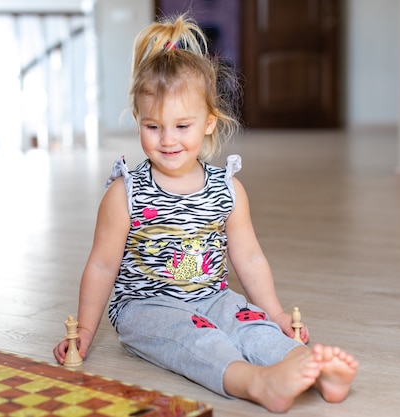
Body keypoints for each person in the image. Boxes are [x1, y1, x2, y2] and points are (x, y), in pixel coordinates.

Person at [54, 14, 358, 413]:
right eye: (152, 126)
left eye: (182, 126)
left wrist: (277, 312)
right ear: (137, 122)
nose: (167, 140)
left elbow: (247, 257)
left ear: (209, 122)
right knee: (199, 342)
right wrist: (87, 329)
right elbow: (100, 265)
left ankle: (310, 368)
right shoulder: (124, 192)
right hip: (147, 307)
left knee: (251, 324)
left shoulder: (227, 188)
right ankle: (256, 384)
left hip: (212, 296)